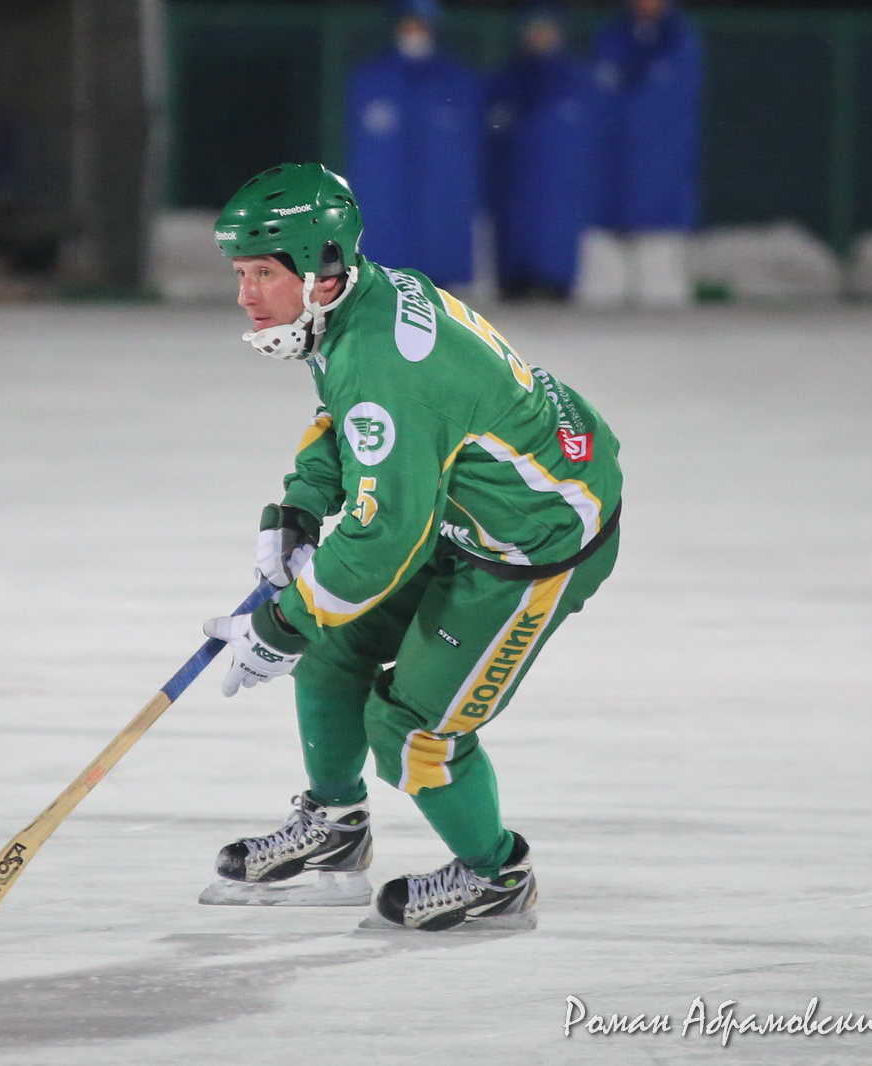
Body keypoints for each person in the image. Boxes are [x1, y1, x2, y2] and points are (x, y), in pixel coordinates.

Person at [200, 163, 622, 931]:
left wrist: (280, 624)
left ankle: (497, 874)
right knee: (332, 651)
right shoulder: (357, 300)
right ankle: (335, 828)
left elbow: (382, 538)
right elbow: (350, 423)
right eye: (241, 273)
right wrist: (300, 505)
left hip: (534, 542)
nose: (246, 295)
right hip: (462, 502)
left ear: (321, 267)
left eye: (262, 272)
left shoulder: (382, 363)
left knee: (414, 730)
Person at [345, 0, 483, 289]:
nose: (414, 32)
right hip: (390, 189)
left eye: (420, 25)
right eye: (408, 24)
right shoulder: (375, 76)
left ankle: (438, 277)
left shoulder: (453, 77)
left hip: (436, 189)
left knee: (437, 239)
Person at [587, 0, 703, 307]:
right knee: (600, 300)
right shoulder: (610, 38)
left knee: (662, 294)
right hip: (610, 186)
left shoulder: (679, 40)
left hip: (662, 188)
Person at [486, 4, 602, 300]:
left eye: (547, 28)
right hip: (515, 200)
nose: (540, 36)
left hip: (562, 199)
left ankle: (555, 277)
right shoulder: (505, 82)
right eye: (535, 29)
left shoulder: (579, 81)